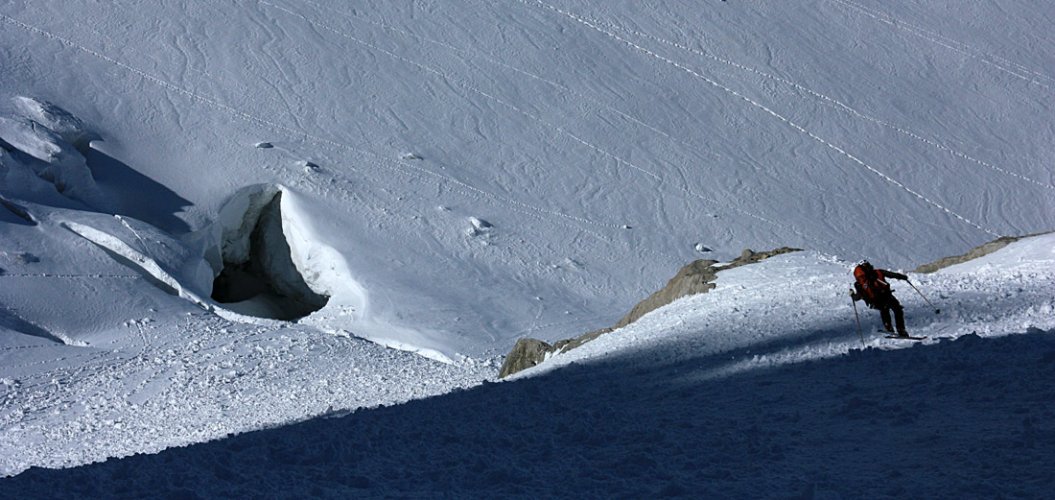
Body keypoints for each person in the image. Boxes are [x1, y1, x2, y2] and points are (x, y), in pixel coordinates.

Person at [850, 260, 910, 336]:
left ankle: (889, 328)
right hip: (886, 295)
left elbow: (858, 296)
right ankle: (901, 329)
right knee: (897, 309)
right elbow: (892, 275)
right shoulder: (878, 272)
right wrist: (903, 277)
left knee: (884, 310)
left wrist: (852, 295)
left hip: (874, 301)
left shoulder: (860, 282)